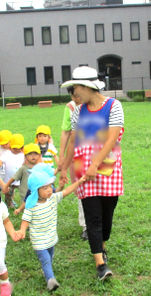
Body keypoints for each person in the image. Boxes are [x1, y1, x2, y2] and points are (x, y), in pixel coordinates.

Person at [60, 66, 124, 281]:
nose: (74, 92)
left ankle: (102, 246)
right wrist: (63, 167)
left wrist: (96, 163)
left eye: (76, 87)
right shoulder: (78, 110)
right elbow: (74, 140)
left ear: (88, 87)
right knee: (92, 216)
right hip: (83, 170)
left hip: (107, 168)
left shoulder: (114, 106)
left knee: (107, 216)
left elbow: (112, 138)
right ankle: (100, 263)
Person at [18, 171, 86, 291]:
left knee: (50, 257)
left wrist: (79, 182)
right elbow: (25, 220)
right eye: (45, 188)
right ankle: (51, 280)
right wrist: (22, 230)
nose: (49, 190)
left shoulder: (53, 199)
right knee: (45, 259)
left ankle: (47, 272)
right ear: (35, 190)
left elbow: (66, 192)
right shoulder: (31, 205)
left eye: (50, 186)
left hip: (51, 237)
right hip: (39, 241)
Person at [58, 88, 87, 240]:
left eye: (78, 96)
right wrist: (62, 155)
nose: (76, 100)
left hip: (95, 152)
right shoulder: (70, 108)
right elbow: (65, 132)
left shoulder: (96, 105)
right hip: (76, 154)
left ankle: (98, 221)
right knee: (80, 187)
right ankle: (86, 226)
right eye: (73, 97)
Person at [3, 143, 42, 215]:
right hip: (25, 195)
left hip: (38, 194)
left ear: (39, 156)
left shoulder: (40, 168)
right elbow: (14, 178)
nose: (33, 156)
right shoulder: (23, 168)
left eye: (35, 154)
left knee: (38, 212)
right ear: (25, 156)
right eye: (30, 154)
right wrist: (6, 186)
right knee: (27, 213)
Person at [0, 133, 25, 208]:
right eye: (15, 148)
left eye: (19, 148)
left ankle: (24, 204)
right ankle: (9, 204)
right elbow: (0, 162)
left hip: (21, 179)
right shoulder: (6, 154)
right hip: (9, 179)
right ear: (10, 146)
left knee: (24, 192)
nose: (17, 150)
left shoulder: (24, 154)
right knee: (9, 192)